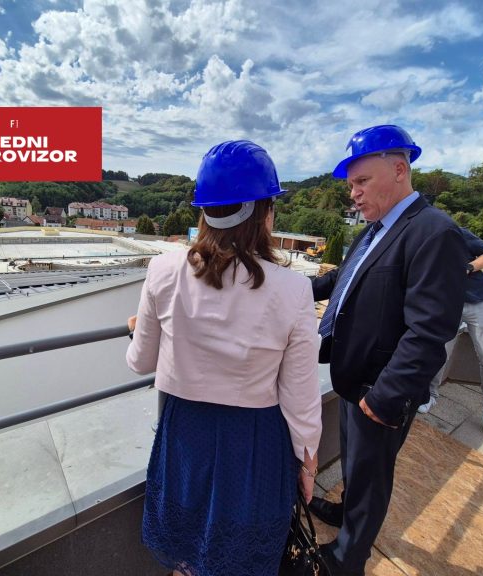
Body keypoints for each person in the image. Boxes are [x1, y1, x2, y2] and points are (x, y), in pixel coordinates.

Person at [126, 140, 322, 576]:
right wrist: (308, 463)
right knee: (239, 556)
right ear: (263, 213)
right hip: (253, 442)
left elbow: (141, 362)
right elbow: (301, 395)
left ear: (205, 212)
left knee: (186, 550)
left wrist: (139, 328)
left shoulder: (163, 271)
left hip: (185, 434)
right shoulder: (293, 289)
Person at [308, 125, 467, 575]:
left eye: (361, 181)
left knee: (372, 476)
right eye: (351, 185)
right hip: (354, 375)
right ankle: (346, 512)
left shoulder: (435, 233)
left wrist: (384, 398)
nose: (353, 194)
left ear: (399, 170)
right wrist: (285, 289)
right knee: (358, 466)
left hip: (380, 388)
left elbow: (430, 331)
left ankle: (347, 559)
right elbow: (342, 279)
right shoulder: (375, 230)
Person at [417, 228, 483, 433]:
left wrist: (467, 267)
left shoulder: (452, 232)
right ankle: (430, 395)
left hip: (479, 300)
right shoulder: (417, 236)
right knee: (439, 352)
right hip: (446, 304)